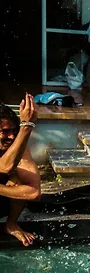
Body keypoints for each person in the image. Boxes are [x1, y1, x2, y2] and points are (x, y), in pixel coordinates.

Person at [0, 96, 41, 246]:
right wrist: (26, 126)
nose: (11, 137)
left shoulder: (18, 148)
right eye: (5, 131)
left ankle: (11, 224)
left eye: (14, 131)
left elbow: (33, 192)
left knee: (19, 179)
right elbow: (4, 167)